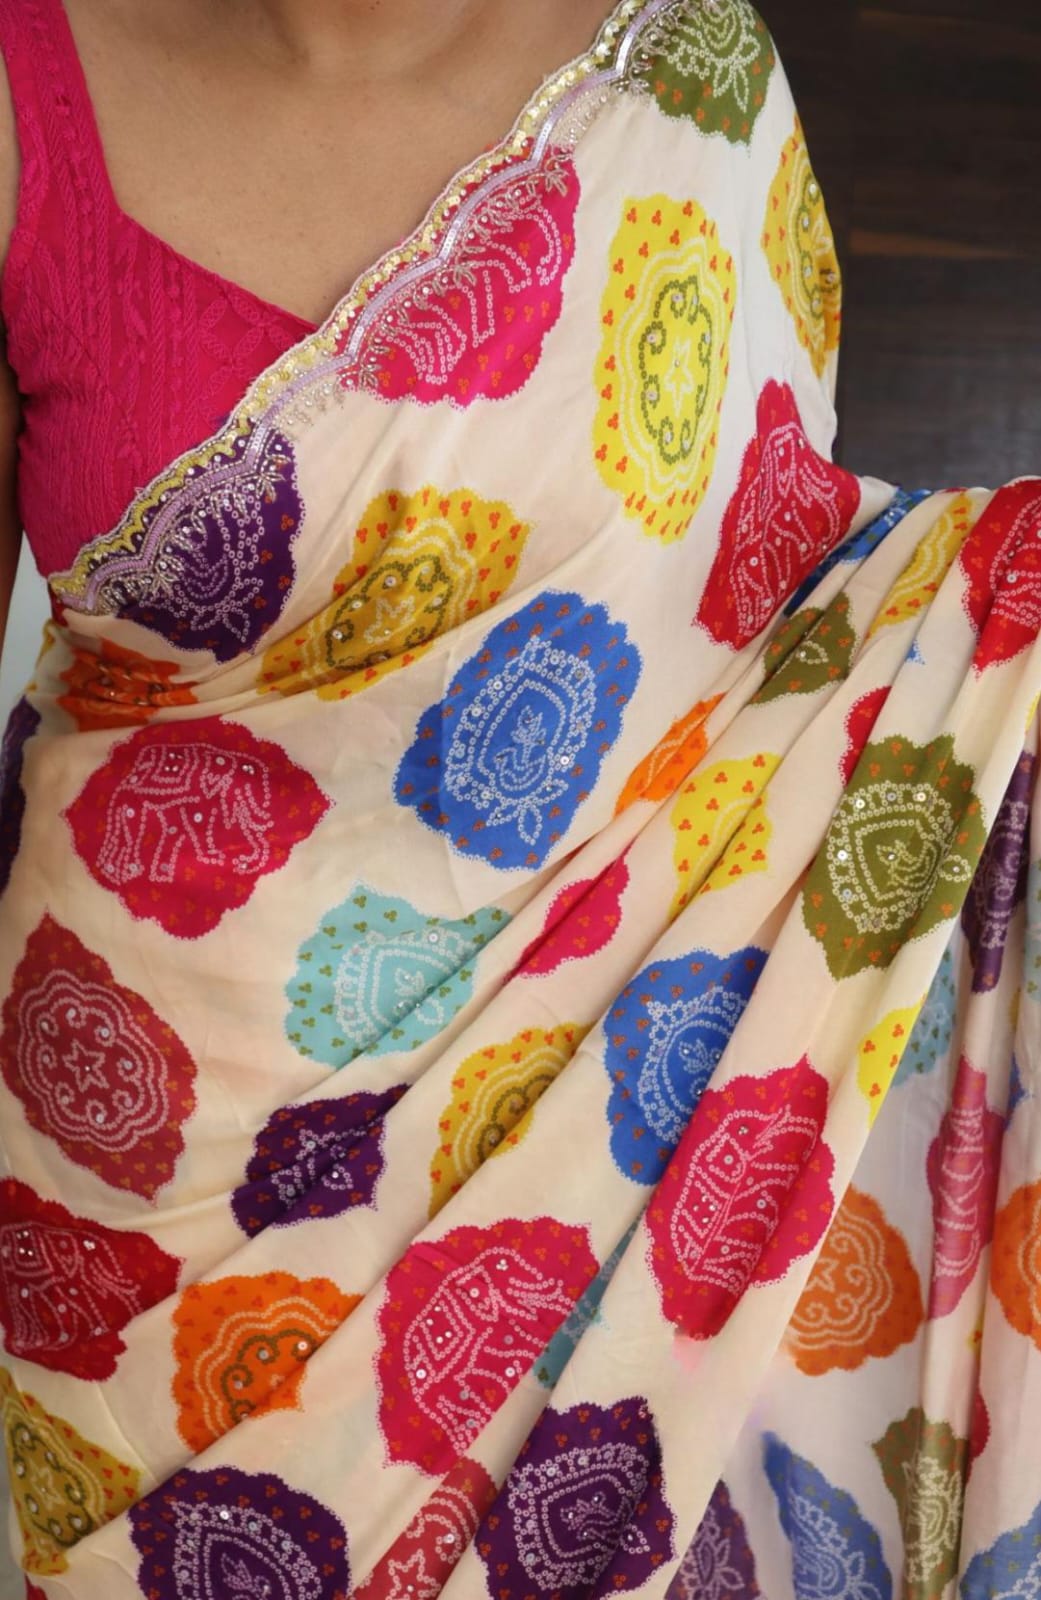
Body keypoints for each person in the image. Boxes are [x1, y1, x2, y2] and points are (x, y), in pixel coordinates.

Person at [0, 1, 1038, 1596]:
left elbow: (789, 633)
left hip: (628, 1093)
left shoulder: (680, 68)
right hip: (146, 1166)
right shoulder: (27, 94)